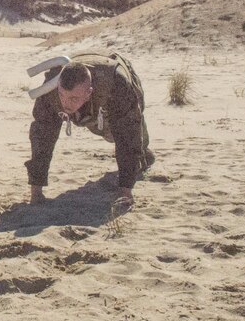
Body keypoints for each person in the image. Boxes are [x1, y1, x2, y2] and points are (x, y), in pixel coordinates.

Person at [25, 51, 154, 207]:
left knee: (128, 136)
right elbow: (41, 137)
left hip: (119, 89)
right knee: (46, 131)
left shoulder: (117, 85)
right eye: (62, 95)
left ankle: (144, 154)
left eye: (73, 98)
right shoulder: (51, 89)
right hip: (88, 103)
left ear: (88, 93)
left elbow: (128, 136)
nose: (66, 103)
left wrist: (125, 191)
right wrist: (36, 192)